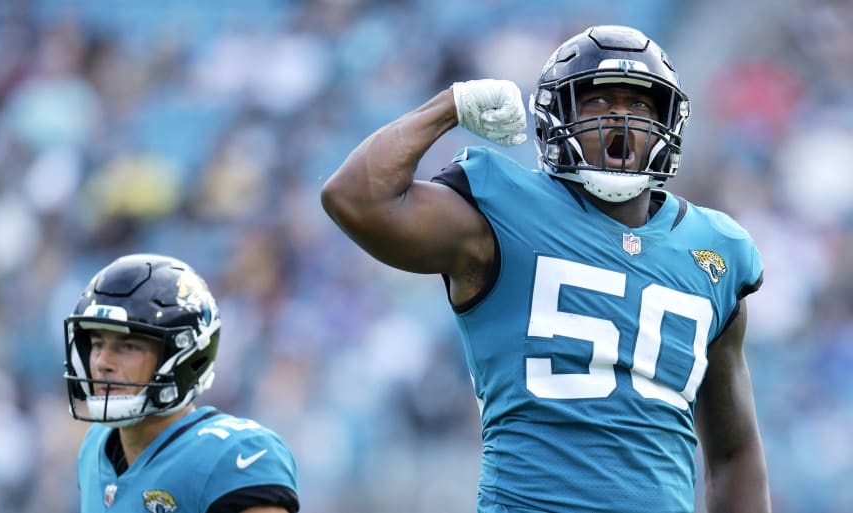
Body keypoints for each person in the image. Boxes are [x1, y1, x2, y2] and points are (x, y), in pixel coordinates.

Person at [321, 25, 770, 513]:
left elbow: (733, 450)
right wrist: (450, 106)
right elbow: (356, 198)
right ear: (558, 117)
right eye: (598, 101)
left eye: (640, 105)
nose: (620, 118)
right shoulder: (502, 212)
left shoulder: (715, 252)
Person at [63, 253, 299, 513]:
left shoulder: (234, 455)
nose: (101, 362)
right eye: (97, 344)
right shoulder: (97, 444)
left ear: (183, 355)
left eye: (127, 346)